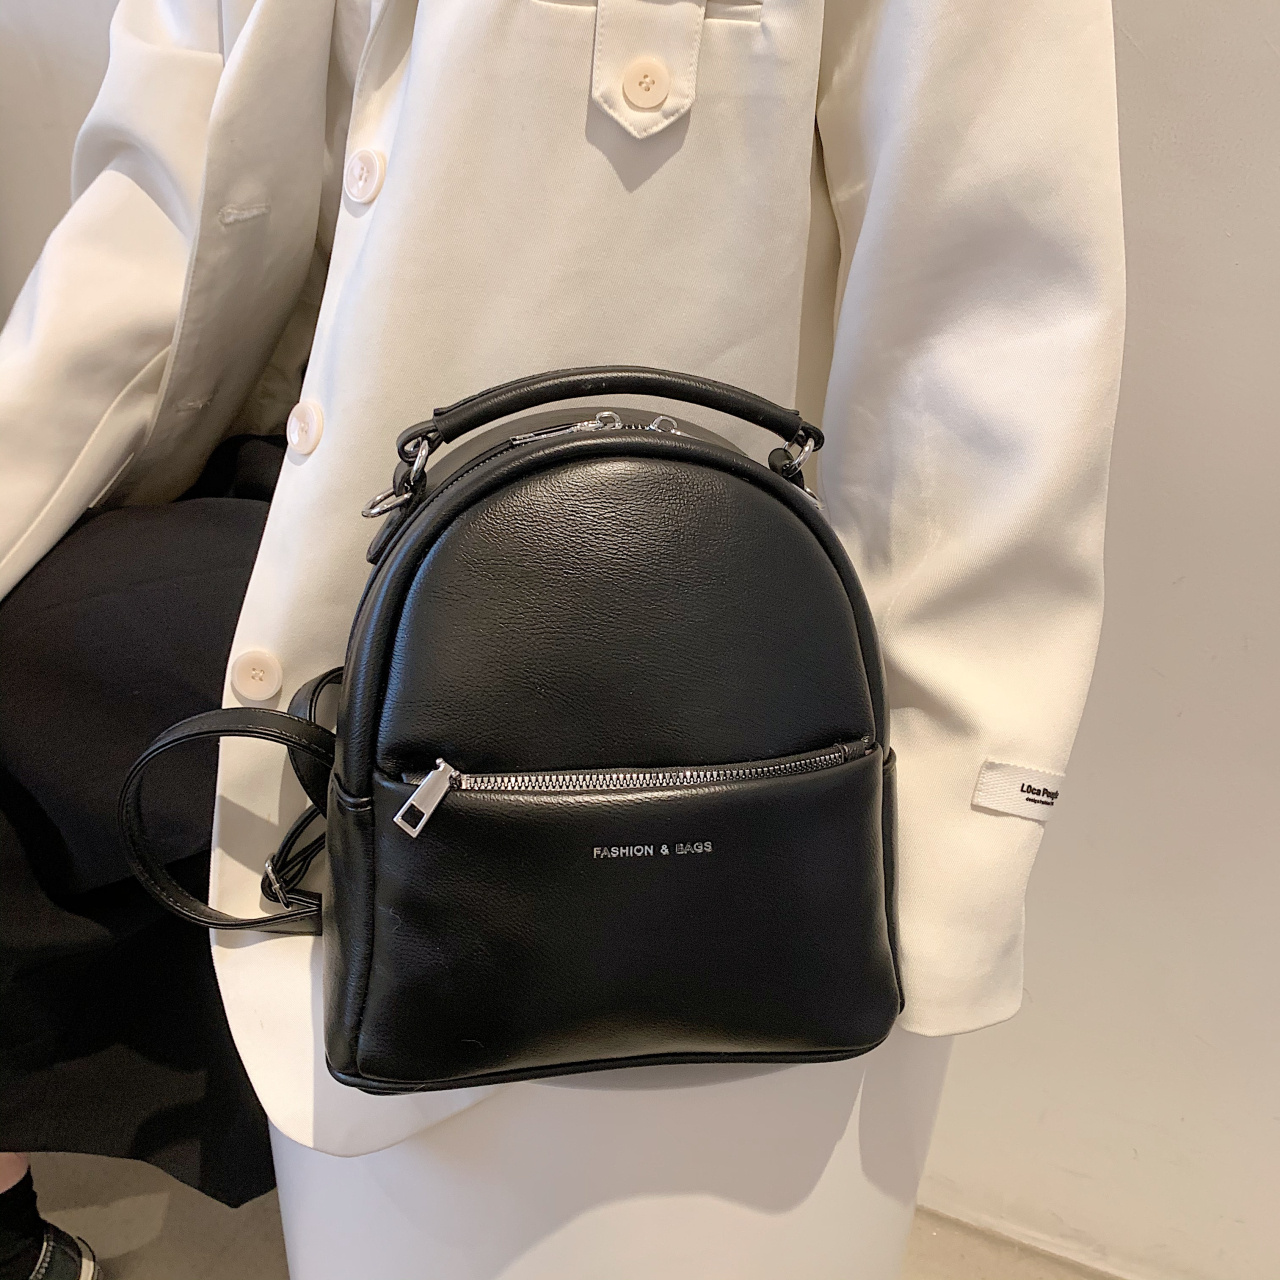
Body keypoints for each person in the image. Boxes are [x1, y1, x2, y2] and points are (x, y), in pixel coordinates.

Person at [0, 0, 1125, 1275]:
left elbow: (988, 295)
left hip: (661, 613)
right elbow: (153, 214)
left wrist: (941, 853)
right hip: (281, 494)